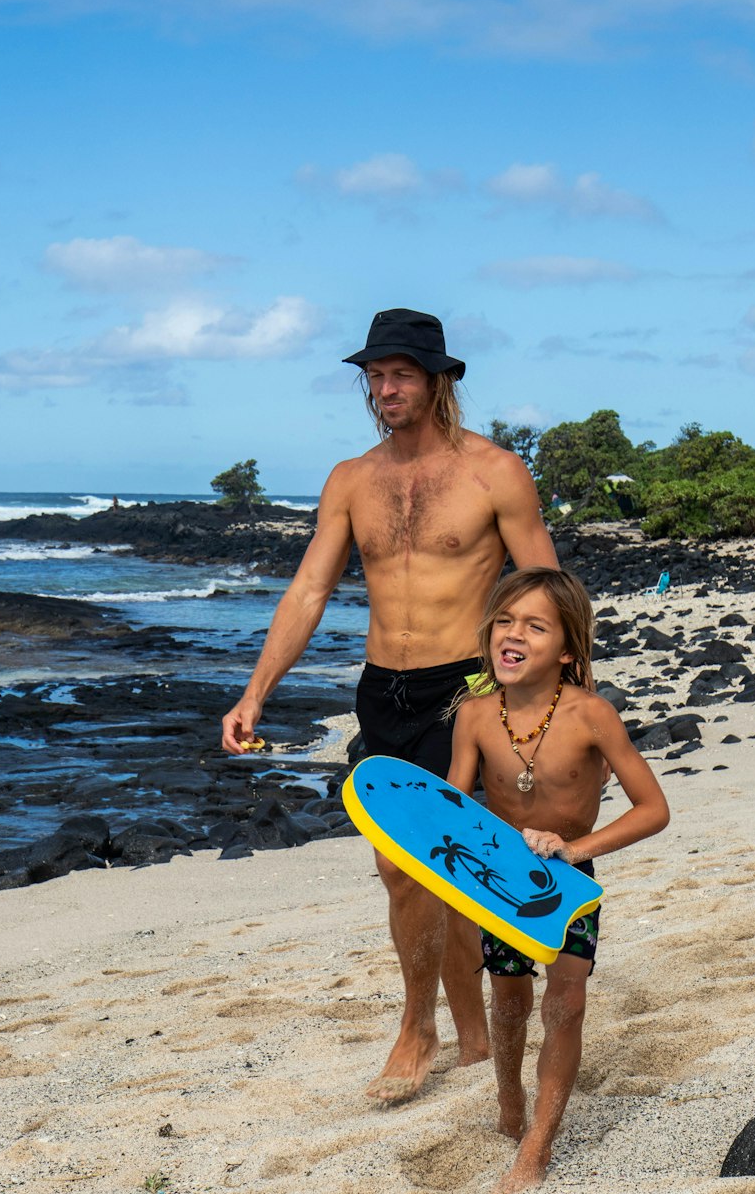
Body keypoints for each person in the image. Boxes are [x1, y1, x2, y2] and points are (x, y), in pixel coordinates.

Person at [221, 307, 557, 1101]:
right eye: (374, 375)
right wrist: (255, 693)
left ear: (439, 380)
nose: (384, 388)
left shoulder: (494, 473)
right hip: (384, 693)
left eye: (400, 373)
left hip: (468, 690)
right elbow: (309, 589)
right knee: (426, 875)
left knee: (417, 872)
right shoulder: (352, 480)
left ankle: (418, 1029)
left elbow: (547, 590)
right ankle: (472, 1036)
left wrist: (561, 701)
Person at [446, 566, 670, 1194]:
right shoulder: (474, 715)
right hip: (498, 880)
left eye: (534, 625)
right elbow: (452, 805)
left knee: (565, 1005)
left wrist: (575, 848)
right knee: (510, 1001)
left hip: (569, 882)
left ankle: (537, 1150)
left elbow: (653, 809)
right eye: (505, 621)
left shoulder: (591, 715)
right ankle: (510, 1098)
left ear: (567, 648)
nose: (512, 634)